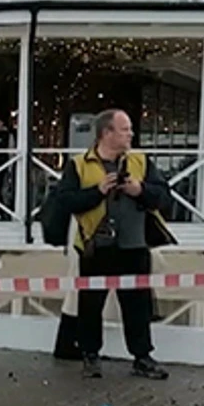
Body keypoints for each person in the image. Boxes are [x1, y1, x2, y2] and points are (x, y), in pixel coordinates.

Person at [51, 108, 174, 379]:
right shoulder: (79, 164)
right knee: (90, 304)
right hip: (96, 245)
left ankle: (142, 357)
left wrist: (139, 190)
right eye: (125, 129)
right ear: (107, 133)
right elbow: (65, 202)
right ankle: (90, 356)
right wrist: (98, 192)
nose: (131, 133)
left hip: (134, 244)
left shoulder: (141, 162)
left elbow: (164, 198)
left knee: (137, 304)